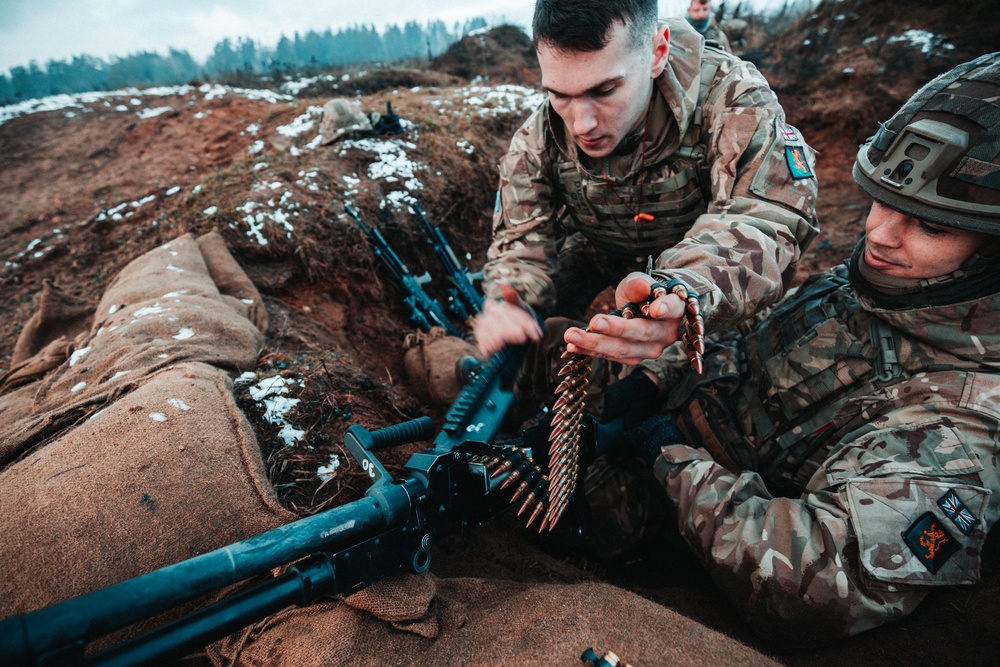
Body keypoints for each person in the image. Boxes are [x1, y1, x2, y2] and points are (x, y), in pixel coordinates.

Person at [565, 52, 1000, 646]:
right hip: (675, 425)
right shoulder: (886, 289)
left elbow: (813, 584)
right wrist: (655, 378)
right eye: (881, 201)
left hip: (688, 515)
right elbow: (746, 339)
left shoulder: (963, 424)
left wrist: (669, 461)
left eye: (931, 226)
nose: (878, 233)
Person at [472, 0, 818, 412]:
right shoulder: (540, 135)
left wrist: (685, 290)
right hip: (599, 246)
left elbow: (766, 218)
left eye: (604, 91)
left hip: (695, 259)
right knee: (522, 335)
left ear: (657, 53)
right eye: (559, 95)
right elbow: (520, 239)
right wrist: (508, 299)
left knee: (713, 373)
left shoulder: (731, 98)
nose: (581, 124)